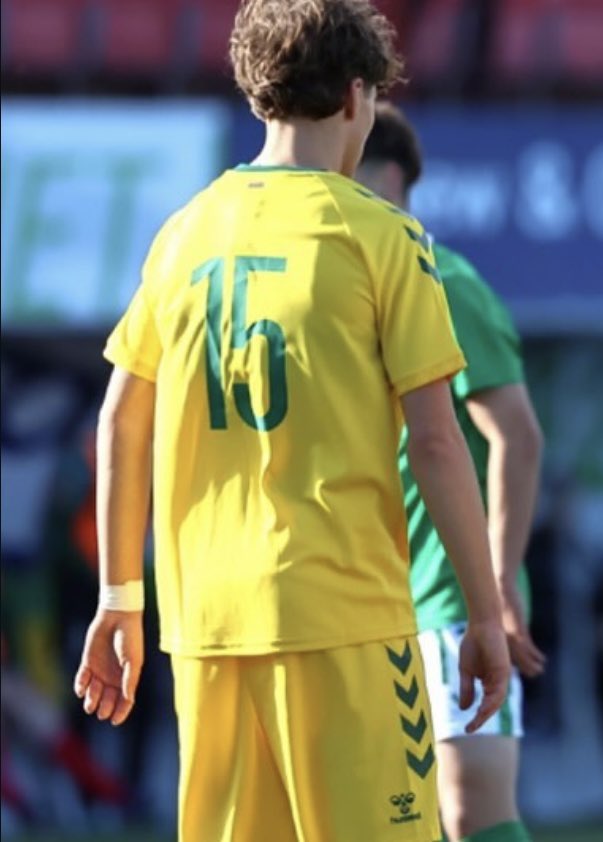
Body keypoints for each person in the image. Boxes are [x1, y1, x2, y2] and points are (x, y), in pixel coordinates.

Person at [70, 2, 511, 840]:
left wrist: (119, 597)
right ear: (357, 97)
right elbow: (439, 440)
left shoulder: (184, 232)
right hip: (341, 617)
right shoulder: (383, 235)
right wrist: (485, 618)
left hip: (206, 628)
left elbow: (122, 417)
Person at [357, 103, 546, 842]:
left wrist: (497, 586)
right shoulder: (346, 284)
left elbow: (518, 438)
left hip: (447, 596)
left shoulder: (445, 280)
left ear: (392, 174)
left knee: (473, 810)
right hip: (365, 598)